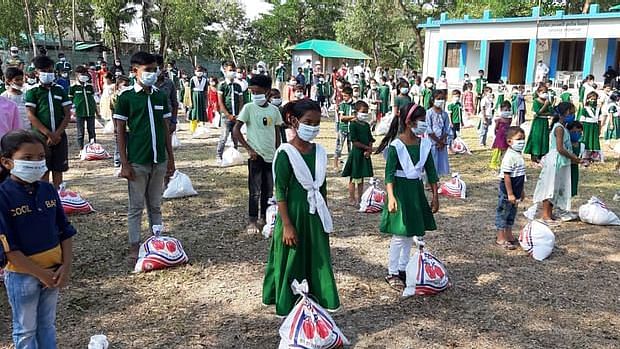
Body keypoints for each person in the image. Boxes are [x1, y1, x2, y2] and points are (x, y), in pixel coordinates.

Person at [262, 99, 340, 317]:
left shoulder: (320, 152)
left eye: (317, 123)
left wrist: (324, 216)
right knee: (292, 258)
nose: (313, 128)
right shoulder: (285, 153)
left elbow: (321, 188)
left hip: (314, 216)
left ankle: (317, 302)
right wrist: (286, 224)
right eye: (308, 122)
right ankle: (290, 303)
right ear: (294, 121)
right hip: (293, 216)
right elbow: (280, 193)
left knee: (317, 258)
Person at [0, 130, 76, 348]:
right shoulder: (3, 196)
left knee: (47, 325)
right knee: (25, 330)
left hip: (54, 272)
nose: (36, 163)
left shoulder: (48, 190)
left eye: (41, 157)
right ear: (7, 162)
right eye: (27, 158)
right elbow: (9, 248)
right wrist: (40, 273)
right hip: (22, 277)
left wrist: (66, 266)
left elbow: (65, 230)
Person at [113, 51, 175, 264]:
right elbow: (120, 131)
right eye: (147, 70)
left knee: (156, 204)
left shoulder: (159, 96)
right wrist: (124, 162)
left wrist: (171, 160)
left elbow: (166, 129)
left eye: (154, 69)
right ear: (134, 71)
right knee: (136, 206)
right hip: (138, 161)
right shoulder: (126, 97)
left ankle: (157, 241)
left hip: (159, 160)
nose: (152, 73)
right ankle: (134, 245)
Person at [376, 103, 439, 290]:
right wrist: (391, 196)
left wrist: (435, 196)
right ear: (409, 122)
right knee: (399, 234)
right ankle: (393, 271)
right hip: (400, 192)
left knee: (410, 232)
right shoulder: (397, 146)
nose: (424, 125)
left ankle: (403, 267)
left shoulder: (424, 144)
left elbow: (431, 172)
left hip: (416, 191)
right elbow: (389, 174)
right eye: (421, 121)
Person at [233, 74, 283, 234]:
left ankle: (265, 217)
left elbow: (277, 133)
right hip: (256, 157)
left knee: (268, 190)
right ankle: (252, 220)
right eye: (252, 92)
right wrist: (249, 149)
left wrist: (278, 151)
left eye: (258, 92)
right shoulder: (248, 108)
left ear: (267, 91)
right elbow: (236, 130)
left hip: (271, 156)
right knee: (255, 191)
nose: (255, 95)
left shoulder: (274, 111)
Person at [24, 55, 72, 189]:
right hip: (40, 138)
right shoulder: (33, 91)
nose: (48, 73)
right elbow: (31, 115)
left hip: (60, 136)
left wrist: (57, 134)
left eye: (50, 70)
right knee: (43, 169)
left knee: (58, 168)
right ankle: (44, 197)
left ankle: (58, 196)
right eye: (44, 70)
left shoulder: (59, 90)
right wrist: (48, 134)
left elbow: (67, 113)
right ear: (37, 73)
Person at [532, 102, 583, 225]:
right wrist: (573, 158)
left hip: (561, 161)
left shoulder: (563, 127)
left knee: (556, 187)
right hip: (556, 161)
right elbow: (560, 148)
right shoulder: (559, 128)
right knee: (550, 187)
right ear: (562, 114)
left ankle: (550, 213)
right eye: (570, 113)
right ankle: (545, 215)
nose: (572, 116)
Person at [495, 126, 526, 250]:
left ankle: (508, 234)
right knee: (503, 213)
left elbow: (521, 174)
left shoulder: (518, 155)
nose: (522, 141)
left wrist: (521, 190)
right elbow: (506, 176)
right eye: (519, 139)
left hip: (516, 191)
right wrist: (510, 193)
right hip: (508, 192)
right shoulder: (509, 156)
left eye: (523, 138)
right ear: (509, 141)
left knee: (511, 214)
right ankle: (500, 237)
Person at [342, 100, 374, 205]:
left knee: (361, 176)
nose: (365, 114)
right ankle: (352, 198)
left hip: (365, 154)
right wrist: (367, 148)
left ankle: (360, 198)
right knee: (354, 176)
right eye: (363, 111)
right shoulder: (353, 125)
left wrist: (369, 149)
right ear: (356, 112)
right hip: (356, 154)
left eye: (366, 112)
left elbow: (370, 139)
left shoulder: (366, 125)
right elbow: (354, 141)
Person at [216, 61, 243, 164]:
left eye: (233, 70)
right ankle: (219, 155)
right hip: (226, 116)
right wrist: (228, 115)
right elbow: (220, 102)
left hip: (236, 116)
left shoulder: (238, 86)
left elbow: (241, 101)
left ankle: (234, 155)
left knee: (235, 136)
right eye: (230, 70)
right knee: (224, 136)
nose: (232, 72)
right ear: (225, 71)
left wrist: (239, 114)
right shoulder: (222, 85)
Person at [69, 66, 100, 149]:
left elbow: (93, 99)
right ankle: (81, 149)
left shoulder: (89, 86)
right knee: (80, 133)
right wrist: (71, 112)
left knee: (92, 132)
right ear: (77, 75)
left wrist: (97, 112)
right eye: (82, 74)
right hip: (79, 113)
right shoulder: (73, 87)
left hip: (90, 112)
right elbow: (70, 101)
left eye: (85, 74)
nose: (84, 76)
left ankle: (93, 148)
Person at [524, 85, 552, 162]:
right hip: (538, 122)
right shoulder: (536, 101)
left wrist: (545, 112)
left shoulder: (547, 101)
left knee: (544, 137)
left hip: (545, 122)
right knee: (536, 137)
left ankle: (542, 154)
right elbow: (537, 113)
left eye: (546, 92)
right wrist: (545, 106)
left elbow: (551, 112)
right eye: (543, 92)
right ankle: (535, 154)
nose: (545, 94)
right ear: (538, 92)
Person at [426, 90, 451, 177]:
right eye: (438, 99)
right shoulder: (429, 113)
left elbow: (447, 129)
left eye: (442, 99)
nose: (440, 101)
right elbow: (428, 129)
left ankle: (436, 180)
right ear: (433, 100)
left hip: (441, 143)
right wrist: (437, 141)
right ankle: (429, 181)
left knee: (439, 163)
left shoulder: (444, 114)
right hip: (431, 143)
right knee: (431, 162)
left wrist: (442, 141)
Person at [154, 55, 179, 135]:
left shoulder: (169, 83)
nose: (157, 70)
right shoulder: (146, 84)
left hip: (167, 119)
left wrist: (174, 121)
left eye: (159, 67)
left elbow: (174, 103)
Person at [111, 76, 130, 168]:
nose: (127, 86)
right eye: (125, 85)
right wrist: (115, 126)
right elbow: (114, 113)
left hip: (130, 126)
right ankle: (117, 160)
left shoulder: (131, 96)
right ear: (118, 86)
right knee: (119, 142)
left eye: (128, 85)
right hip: (120, 125)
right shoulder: (114, 97)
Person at [334, 86, 355, 169]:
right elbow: (342, 118)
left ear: (351, 95)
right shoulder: (342, 105)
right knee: (339, 146)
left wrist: (351, 117)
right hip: (343, 129)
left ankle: (350, 165)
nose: (344, 98)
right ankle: (335, 165)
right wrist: (352, 117)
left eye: (346, 96)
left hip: (351, 129)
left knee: (351, 148)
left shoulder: (354, 104)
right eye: (343, 96)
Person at [490, 101, 513, 170]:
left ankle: (502, 163)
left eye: (508, 110)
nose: (507, 111)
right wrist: (496, 134)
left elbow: (509, 126)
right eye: (505, 110)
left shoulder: (509, 119)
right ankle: (493, 163)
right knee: (497, 151)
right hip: (499, 137)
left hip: (506, 137)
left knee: (505, 151)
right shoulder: (499, 120)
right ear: (501, 110)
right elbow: (496, 128)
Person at [579, 91, 602, 160]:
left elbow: (599, 120)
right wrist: (581, 130)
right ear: (588, 99)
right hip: (587, 126)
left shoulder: (598, 109)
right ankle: (585, 155)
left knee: (594, 140)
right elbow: (581, 120)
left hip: (595, 126)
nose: (593, 101)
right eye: (591, 99)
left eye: (595, 99)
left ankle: (595, 155)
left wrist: (599, 129)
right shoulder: (585, 109)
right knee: (587, 139)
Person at [188, 65, 208, 133]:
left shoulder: (205, 80)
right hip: (194, 96)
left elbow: (205, 90)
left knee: (202, 112)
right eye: (197, 71)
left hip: (201, 97)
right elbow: (190, 90)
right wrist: (190, 101)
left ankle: (201, 127)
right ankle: (193, 128)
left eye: (200, 71)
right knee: (194, 112)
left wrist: (206, 101)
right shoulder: (193, 79)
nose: (199, 72)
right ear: (195, 71)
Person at [568, 121, 584, 197]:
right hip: (566, 169)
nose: (577, 134)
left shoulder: (582, 145)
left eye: (579, 132)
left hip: (574, 170)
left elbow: (581, 157)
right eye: (574, 132)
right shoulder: (565, 145)